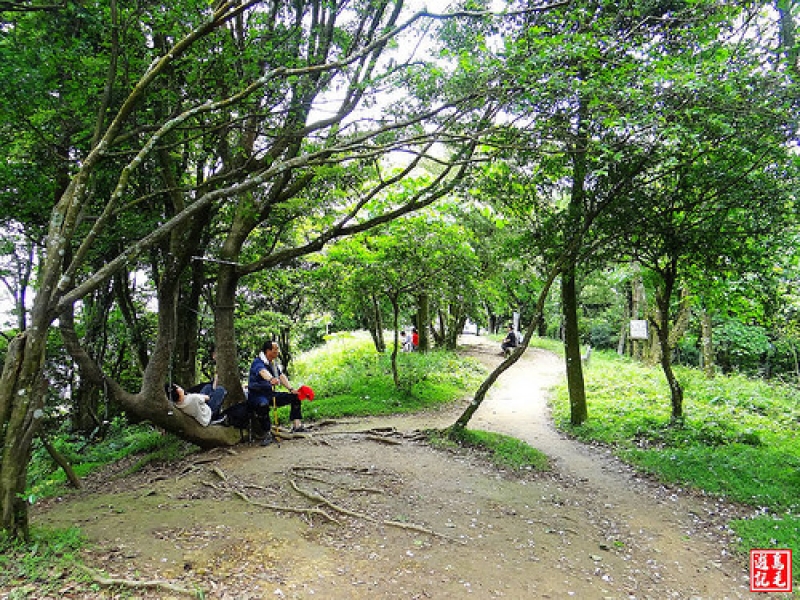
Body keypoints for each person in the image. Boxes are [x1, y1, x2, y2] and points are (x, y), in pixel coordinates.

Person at [247, 340, 308, 446]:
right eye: (275, 349)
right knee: (262, 405)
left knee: (295, 397)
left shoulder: (273, 364)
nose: (278, 352)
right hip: (257, 395)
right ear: (268, 351)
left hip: (270, 394)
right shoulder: (258, 362)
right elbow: (262, 372)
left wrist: (291, 389)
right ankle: (267, 433)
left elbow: (281, 376)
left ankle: (297, 426)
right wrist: (270, 379)